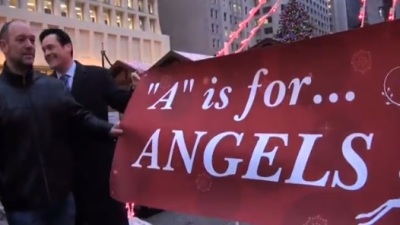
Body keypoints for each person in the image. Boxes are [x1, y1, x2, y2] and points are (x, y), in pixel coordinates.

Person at [0, 20, 123, 225]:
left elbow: (80, 115)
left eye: (32, 40)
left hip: (63, 202)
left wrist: (108, 129)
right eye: (21, 40)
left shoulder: (51, 86)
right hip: (22, 208)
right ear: (4, 46)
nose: (30, 45)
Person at [39, 28, 139, 225]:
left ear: (68, 47)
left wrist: (138, 89)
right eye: (43, 50)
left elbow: (124, 103)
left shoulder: (97, 76)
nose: (47, 53)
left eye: (51, 47)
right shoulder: (44, 85)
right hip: (65, 178)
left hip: (100, 170)